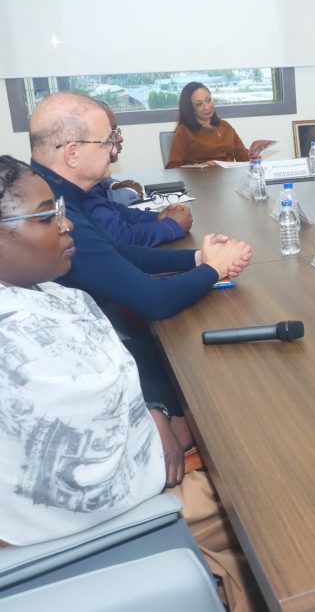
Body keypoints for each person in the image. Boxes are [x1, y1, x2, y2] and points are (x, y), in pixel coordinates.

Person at [0, 156, 258, 610]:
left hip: (129, 483)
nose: (66, 226)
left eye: (60, 211)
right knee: (269, 488)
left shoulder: (39, 290)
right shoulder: (18, 345)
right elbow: (90, 482)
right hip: (108, 527)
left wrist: (154, 409)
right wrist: (162, 422)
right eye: (45, 217)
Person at [28, 92, 252, 321]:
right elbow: (156, 299)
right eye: (107, 142)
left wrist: (199, 258)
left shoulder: (53, 190)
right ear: (72, 153)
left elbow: (120, 253)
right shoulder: (55, 215)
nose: (114, 150)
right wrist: (214, 269)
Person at [85, 102, 193, 246]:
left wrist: (159, 217)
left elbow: (116, 210)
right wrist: (171, 226)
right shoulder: (79, 189)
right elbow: (120, 237)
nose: (119, 138)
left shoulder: (88, 183)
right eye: (111, 133)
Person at [166, 81, 249, 168]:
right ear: (190, 109)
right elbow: (172, 167)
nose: (207, 107)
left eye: (208, 100)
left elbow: (244, 157)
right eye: (199, 104)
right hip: (201, 176)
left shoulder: (225, 126)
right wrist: (200, 167)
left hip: (229, 176)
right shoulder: (184, 131)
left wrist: (254, 153)